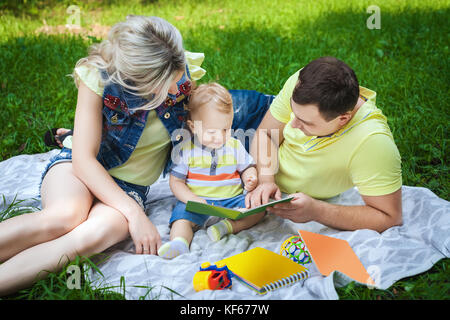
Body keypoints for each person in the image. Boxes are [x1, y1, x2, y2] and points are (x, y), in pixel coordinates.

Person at [0, 15, 207, 296]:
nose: (175, 89)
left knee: (90, 236)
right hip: (80, 169)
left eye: (178, 74)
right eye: (162, 84)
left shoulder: (181, 71)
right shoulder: (99, 77)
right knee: (63, 217)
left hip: (130, 186)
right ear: (135, 79)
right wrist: (135, 214)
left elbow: (218, 122)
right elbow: (83, 159)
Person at [247, 56, 403, 233]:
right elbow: (267, 133)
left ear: (343, 118)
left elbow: (389, 217)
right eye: (294, 113)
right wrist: (266, 180)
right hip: (257, 122)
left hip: (250, 157)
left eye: (306, 122)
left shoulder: (373, 143)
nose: (293, 125)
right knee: (211, 103)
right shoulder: (304, 83)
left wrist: (316, 211)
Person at [158, 83, 261, 259]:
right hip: (199, 202)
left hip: (231, 201)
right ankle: (179, 243)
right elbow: (176, 182)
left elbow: (247, 168)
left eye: (225, 129)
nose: (220, 137)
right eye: (212, 132)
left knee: (257, 210)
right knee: (181, 217)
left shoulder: (234, 146)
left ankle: (225, 227)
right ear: (193, 127)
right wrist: (192, 199)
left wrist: (250, 177)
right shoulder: (186, 150)